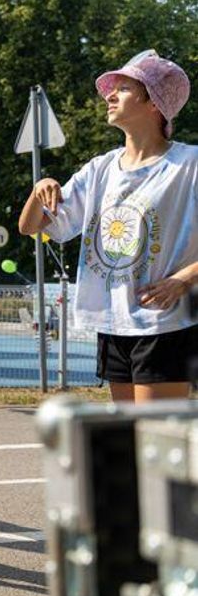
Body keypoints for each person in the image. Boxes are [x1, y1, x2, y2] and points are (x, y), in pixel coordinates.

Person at [20, 50, 197, 403]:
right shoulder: (100, 168)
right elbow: (30, 227)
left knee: (156, 444)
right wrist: (40, 189)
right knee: (130, 443)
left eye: (125, 88)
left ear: (154, 103)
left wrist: (185, 278)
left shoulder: (189, 164)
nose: (109, 95)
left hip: (165, 323)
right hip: (115, 323)